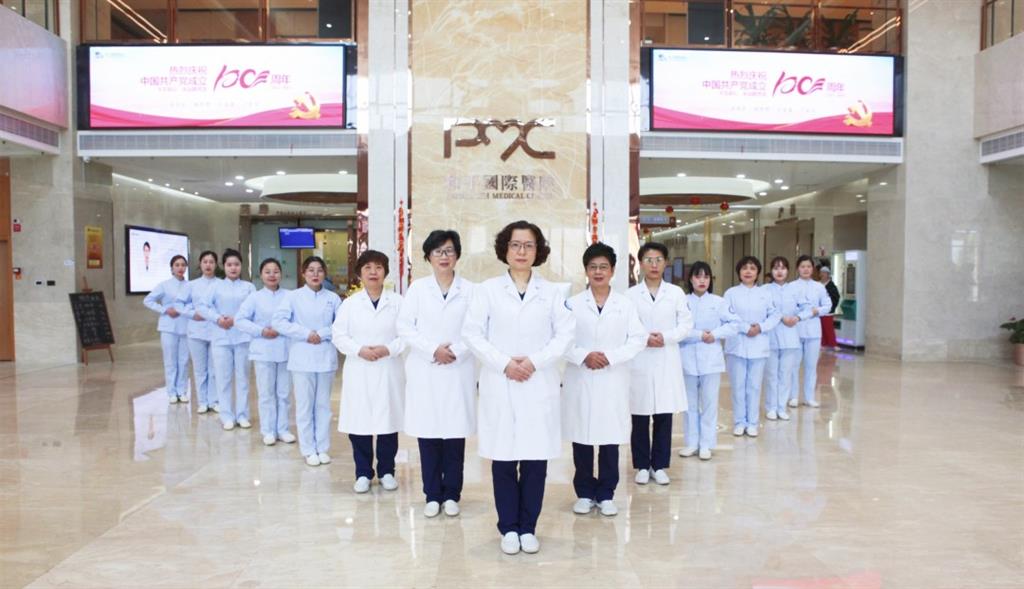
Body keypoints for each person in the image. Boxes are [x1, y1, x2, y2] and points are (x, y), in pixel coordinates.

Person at [462, 220, 574, 556]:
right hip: (501, 382)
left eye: (528, 245)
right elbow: (472, 334)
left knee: (536, 460)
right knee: (504, 459)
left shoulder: (553, 293)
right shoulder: (486, 290)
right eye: (515, 245)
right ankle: (509, 527)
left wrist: (534, 362)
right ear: (504, 249)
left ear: (538, 251)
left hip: (539, 382)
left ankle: (528, 527)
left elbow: (565, 336)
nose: (521, 251)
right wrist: (505, 363)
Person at [563, 242, 646, 517]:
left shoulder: (625, 305)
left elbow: (637, 339)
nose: (598, 272)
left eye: (603, 267)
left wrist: (609, 357)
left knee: (610, 438)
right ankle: (585, 493)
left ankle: (607, 493)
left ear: (612, 270)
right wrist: (584, 356)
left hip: (613, 378)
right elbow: (561, 340)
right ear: (586, 270)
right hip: (582, 376)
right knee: (582, 438)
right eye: (593, 267)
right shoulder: (572, 304)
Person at [396, 230, 475, 517]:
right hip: (425, 369)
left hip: (457, 368)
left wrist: (455, 351)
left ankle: (452, 494)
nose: (444, 256)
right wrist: (433, 350)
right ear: (428, 256)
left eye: (449, 251)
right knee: (428, 435)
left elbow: (477, 329)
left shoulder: (471, 290)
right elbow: (405, 327)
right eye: (438, 251)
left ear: (457, 255)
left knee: (454, 435)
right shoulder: (418, 289)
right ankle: (432, 494)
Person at [333, 250, 405, 493]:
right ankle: (363, 472)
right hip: (359, 368)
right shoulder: (350, 304)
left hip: (388, 368)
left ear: (386, 272)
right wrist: (359, 350)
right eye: (368, 268)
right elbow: (339, 336)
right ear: (359, 274)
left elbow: (408, 335)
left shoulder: (398, 303)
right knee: (360, 423)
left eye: (378, 267)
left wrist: (388, 349)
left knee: (388, 422)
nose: (373, 272)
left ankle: (387, 471)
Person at [626, 242, 693, 485]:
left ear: (665, 263)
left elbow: (686, 325)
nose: (653, 265)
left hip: (666, 357)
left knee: (664, 415)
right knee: (640, 416)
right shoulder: (630, 295)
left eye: (658, 260)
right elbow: (627, 326)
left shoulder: (676, 293)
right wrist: (645, 338)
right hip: (640, 359)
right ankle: (642, 466)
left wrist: (665, 337)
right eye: (648, 260)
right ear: (640, 263)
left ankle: (660, 465)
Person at [272, 256, 341, 466]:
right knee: (304, 406)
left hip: (325, 357)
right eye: (310, 270)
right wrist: (305, 333)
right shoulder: (293, 297)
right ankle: (309, 449)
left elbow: (342, 325)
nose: (315, 274)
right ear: (303, 273)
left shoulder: (333, 298)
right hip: (301, 357)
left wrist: (322, 333)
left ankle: (322, 447)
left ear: (325, 274)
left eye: (319, 270)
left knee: (323, 406)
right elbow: (279, 322)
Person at [678, 261, 740, 460]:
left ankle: (706, 444)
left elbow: (735, 324)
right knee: (689, 404)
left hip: (711, 359)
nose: (702, 281)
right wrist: (698, 334)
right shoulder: (682, 301)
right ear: (690, 279)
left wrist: (715, 334)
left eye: (706, 277)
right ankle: (691, 443)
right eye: (698, 276)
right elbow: (678, 329)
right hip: (687, 358)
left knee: (709, 403)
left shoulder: (718, 302)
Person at [235, 258, 293, 446]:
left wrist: (283, 329)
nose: (272, 275)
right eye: (267, 272)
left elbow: (296, 320)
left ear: (281, 274)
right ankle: (268, 431)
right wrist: (261, 330)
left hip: (285, 350)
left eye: (276, 271)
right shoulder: (254, 297)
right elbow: (240, 320)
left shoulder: (290, 296)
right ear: (261, 275)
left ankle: (283, 429)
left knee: (284, 393)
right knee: (266, 393)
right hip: (263, 350)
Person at [199, 249, 256, 431]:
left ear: (242, 266)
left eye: (236, 264)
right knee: (223, 378)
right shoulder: (215, 286)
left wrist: (236, 319)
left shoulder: (249, 287)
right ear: (224, 266)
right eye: (229, 265)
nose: (233, 268)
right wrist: (217, 318)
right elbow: (202, 307)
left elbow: (253, 309)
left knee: (243, 378)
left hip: (242, 337)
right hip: (221, 337)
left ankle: (242, 415)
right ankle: (227, 416)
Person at [723, 256, 780, 438]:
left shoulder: (765, 293)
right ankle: (740, 422)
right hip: (736, 346)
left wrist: (760, 327)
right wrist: (745, 328)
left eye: (752, 268)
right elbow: (726, 316)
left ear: (758, 273)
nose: (748, 271)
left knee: (754, 386)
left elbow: (775, 315)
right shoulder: (731, 293)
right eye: (745, 268)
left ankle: (753, 423)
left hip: (759, 345)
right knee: (738, 386)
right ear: (739, 272)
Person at [143, 254, 191, 404]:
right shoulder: (164, 285)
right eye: (177, 265)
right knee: (170, 360)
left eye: (183, 265)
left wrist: (185, 310)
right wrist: (165, 310)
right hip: (168, 327)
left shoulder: (190, 286)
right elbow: (148, 300)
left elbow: (195, 304)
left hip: (185, 327)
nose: (180, 268)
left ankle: (182, 391)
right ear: (172, 268)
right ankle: (171, 392)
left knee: (183, 361)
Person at [787, 255, 832, 409]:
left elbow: (827, 306)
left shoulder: (819, 287)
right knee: (794, 365)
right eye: (802, 266)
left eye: (808, 266)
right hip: (796, 330)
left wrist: (815, 311)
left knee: (811, 366)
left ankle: (809, 397)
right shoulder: (791, 286)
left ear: (813, 269)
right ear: (797, 269)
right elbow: (788, 306)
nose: (805, 269)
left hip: (813, 331)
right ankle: (793, 396)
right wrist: (798, 312)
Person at [762, 257, 801, 422]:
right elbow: (765, 310)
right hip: (771, 336)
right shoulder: (764, 290)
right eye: (776, 268)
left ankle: (781, 407)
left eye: (783, 268)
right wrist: (782, 317)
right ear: (771, 270)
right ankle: (771, 407)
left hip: (790, 337)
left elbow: (805, 307)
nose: (779, 271)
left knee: (786, 374)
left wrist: (798, 317)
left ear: (788, 271)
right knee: (771, 375)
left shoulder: (794, 290)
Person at [184, 251, 220, 413]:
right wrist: (193, 314)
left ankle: (214, 400)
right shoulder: (191, 285)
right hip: (196, 331)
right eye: (205, 262)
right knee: (200, 370)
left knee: (214, 369)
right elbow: (180, 305)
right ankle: (202, 401)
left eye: (211, 262)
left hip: (216, 331)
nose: (208, 265)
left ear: (216, 265)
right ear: (200, 264)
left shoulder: (221, 284)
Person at [819, 266, 840, 349]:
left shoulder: (831, 286)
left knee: (828, 327)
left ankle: (833, 344)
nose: (822, 275)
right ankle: (823, 343)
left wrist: (831, 307)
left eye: (824, 273)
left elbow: (836, 297)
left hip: (827, 311)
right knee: (821, 328)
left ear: (828, 275)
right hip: (819, 310)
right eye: (821, 273)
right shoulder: (818, 284)